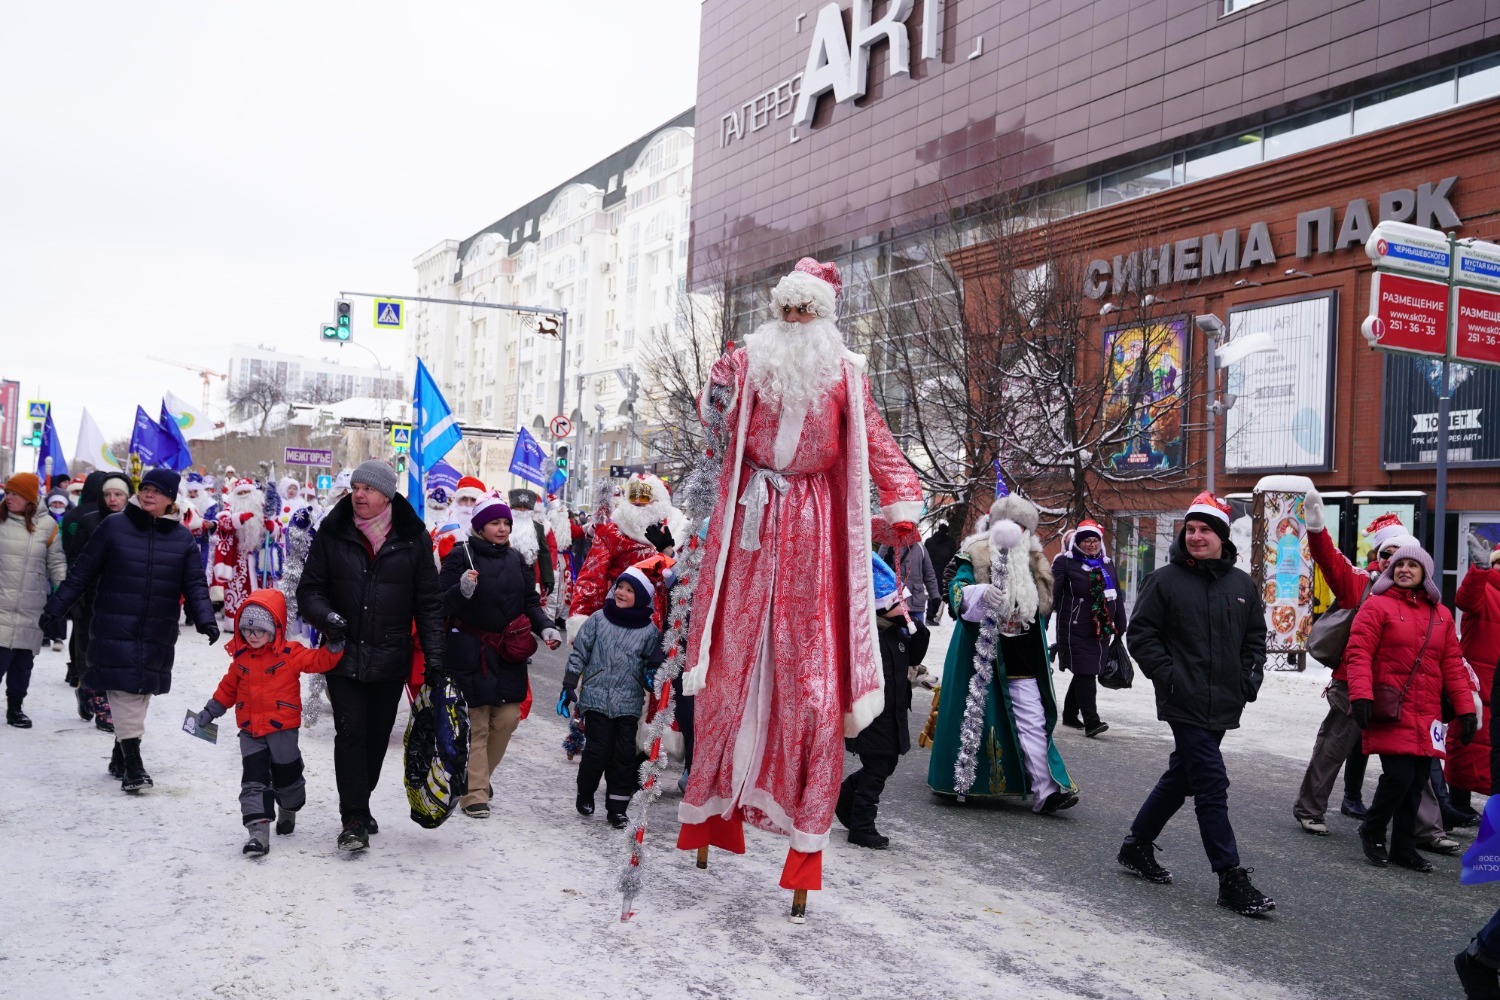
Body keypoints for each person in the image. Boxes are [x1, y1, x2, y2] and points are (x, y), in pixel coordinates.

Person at [677, 257, 924, 911]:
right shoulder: (750, 359)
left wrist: (902, 503)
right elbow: (714, 419)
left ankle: (803, 838)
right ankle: (711, 810)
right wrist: (720, 380)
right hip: (750, 515)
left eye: (804, 311)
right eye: (785, 309)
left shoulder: (846, 371)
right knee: (729, 666)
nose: (792, 320)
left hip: (814, 524)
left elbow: (876, 438)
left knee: (810, 686)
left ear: (823, 317)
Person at [1117, 492, 1274, 916]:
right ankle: (1230, 877)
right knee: (1210, 782)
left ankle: (1136, 845)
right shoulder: (1165, 580)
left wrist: (1249, 677)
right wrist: (1169, 676)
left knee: (1182, 776)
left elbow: (1254, 638)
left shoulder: (1241, 584)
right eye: (1191, 529)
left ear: (1222, 536)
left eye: (1205, 530)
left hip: (1224, 699)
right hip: (1182, 699)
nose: (1196, 536)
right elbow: (1141, 635)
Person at [295, 459, 446, 851]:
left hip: (390, 657)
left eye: (368, 488)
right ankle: (354, 818)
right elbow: (309, 589)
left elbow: (428, 604)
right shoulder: (333, 531)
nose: (358, 494)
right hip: (341, 654)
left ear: (387, 495)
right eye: (355, 487)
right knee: (350, 733)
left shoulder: (413, 538)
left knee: (377, 738)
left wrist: (435, 658)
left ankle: (360, 802)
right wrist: (327, 616)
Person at [41, 468, 220, 791]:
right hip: (115, 623)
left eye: (158, 491)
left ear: (170, 498)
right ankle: (134, 766)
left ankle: (118, 755)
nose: (149, 494)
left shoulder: (181, 538)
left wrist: (205, 618)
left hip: (157, 629)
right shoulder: (114, 526)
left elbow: (194, 583)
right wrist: (55, 608)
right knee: (124, 692)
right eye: (146, 488)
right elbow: (81, 573)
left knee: (140, 691)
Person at [926, 490, 1077, 812]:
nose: (1015, 532)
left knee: (1033, 719)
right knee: (979, 718)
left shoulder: (1035, 560)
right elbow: (956, 588)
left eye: (1022, 527)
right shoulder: (976, 552)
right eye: (1009, 525)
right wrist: (977, 594)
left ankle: (1046, 789)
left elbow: (1041, 606)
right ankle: (964, 780)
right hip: (981, 654)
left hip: (1023, 652)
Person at [1293, 497, 1423, 835]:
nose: (1392, 561)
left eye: (1400, 554)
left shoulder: (1423, 595)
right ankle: (1310, 810)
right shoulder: (1361, 584)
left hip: (1401, 690)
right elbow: (1330, 560)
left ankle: (1428, 830)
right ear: (1376, 557)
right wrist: (1317, 530)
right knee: (1332, 749)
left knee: (1417, 759)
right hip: (1352, 685)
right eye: (1385, 553)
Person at [1343, 543, 1476, 872]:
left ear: (1424, 573)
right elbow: (1358, 654)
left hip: (1427, 711)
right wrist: (1360, 695)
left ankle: (1404, 846)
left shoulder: (1441, 615)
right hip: (1391, 707)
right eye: (1398, 564)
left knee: (1418, 781)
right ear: (1390, 571)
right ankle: (1373, 828)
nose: (1404, 569)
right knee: (1399, 777)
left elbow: (1453, 666)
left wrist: (1466, 709)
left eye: (1412, 565)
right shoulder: (1376, 607)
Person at [192, 589, 343, 855]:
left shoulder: (290, 653)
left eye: (258, 631)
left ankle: (289, 806)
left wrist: (333, 646)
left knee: (287, 777)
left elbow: (317, 661)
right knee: (253, 781)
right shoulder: (241, 660)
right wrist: (209, 712)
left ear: (274, 628)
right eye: (247, 630)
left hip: (282, 729)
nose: (252, 636)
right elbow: (226, 689)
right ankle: (258, 834)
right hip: (250, 731)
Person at [439, 498, 562, 819]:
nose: (502, 528)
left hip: (509, 652)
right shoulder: (460, 556)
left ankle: (473, 779)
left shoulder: (516, 558)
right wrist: (461, 590)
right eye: (495, 523)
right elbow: (440, 603)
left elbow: (529, 601)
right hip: (471, 651)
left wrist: (545, 626)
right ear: (480, 526)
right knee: (477, 724)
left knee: (507, 719)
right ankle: (475, 794)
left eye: (506, 523)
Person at [559, 567, 661, 829]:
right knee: (597, 751)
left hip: (628, 701)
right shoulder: (598, 619)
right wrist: (570, 682)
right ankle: (585, 792)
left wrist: (653, 675)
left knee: (624, 755)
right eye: (620, 587)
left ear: (640, 597)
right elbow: (580, 652)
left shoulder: (649, 631)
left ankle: (617, 808)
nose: (622, 593)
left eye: (629, 590)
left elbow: (654, 662)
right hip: (596, 697)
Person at [837, 553, 927, 848]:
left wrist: (918, 630)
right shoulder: (868, 635)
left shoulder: (898, 633)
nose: (904, 609)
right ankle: (861, 826)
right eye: (897, 604)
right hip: (873, 714)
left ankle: (844, 796)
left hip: (895, 712)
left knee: (885, 765)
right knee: (877, 769)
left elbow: (913, 657)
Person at [64, 472, 132, 729]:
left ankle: (95, 696)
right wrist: (76, 594)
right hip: (92, 598)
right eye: (107, 494)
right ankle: (100, 705)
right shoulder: (88, 521)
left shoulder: (137, 523)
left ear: (127, 497)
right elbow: (75, 560)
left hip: (124, 600)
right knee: (93, 654)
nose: (112, 499)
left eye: (118, 494)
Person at [568, 474, 676, 634]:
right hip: (620, 618)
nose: (638, 501)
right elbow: (592, 578)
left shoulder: (677, 530)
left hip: (664, 623)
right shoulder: (611, 533)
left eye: (645, 498)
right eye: (633, 497)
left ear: (660, 502)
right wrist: (581, 618)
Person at [1051, 519, 1129, 738]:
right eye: (1086, 541)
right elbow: (1051, 595)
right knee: (1085, 671)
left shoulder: (1106, 563)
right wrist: (1043, 620)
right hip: (1074, 626)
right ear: (1078, 543)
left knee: (1087, 670)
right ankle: (1092, 722)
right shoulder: (1065, 563)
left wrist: (1120, 622)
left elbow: (1116, 595)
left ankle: (1069, 714)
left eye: (1095, 540)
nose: (1091, 545)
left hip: (1101, 628)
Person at [0, 474, 67, 727]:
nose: (9, 498)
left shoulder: (48, 525)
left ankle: (15, 708)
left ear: (29, 497)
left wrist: (64, 592)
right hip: (2, 602)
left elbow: (57, 561)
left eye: (15, 493)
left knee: (22, 663)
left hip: (32, 605)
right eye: (8, 493)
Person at [1450, 538, 1500, 824]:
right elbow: (1464, 600)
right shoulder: (1484, 586)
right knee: (1467, 743)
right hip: (1477, 683)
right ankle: (1458, 805)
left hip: (1497, 682)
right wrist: (1479, 570)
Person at [212, 478, 272, 620]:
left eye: (247, 491)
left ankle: (259, 619)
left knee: (260, 589)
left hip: (259, 556)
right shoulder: (230, 507)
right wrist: (238, 519)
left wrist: (273, 527)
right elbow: (223, 523)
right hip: (237, 558)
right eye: (241, 492)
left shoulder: (262, 507)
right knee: (237, 590)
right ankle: (235, 620)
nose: (244, 494)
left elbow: (275, 527)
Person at [40, 486, 72, 651]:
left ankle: (58, 636)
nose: (58, 505)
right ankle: (44, 634)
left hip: (62, 562)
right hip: (43, 563)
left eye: (61, 503)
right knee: (43, 599)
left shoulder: (70, 519)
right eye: (55, 503)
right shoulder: (42, 519)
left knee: (58, 598)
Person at [923, 521, 958, 624]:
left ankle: (930, 615)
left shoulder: (929, 541)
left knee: (932, 592)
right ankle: (933, 616)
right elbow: (953, 558)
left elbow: (925, 557)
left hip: (930, 571)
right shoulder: (951, 542)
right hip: (944, 572)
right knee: (940, 593)